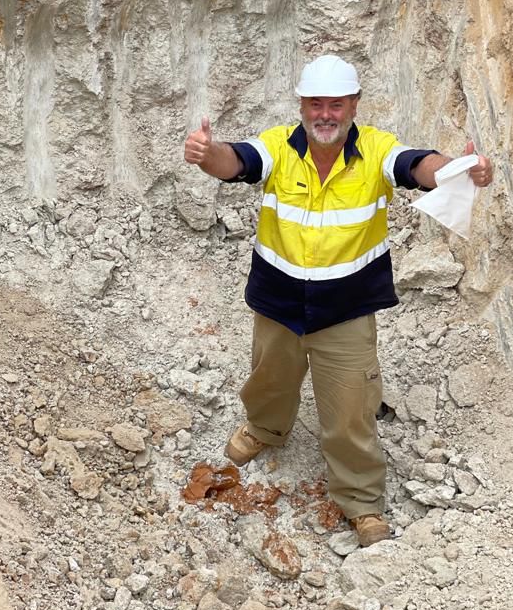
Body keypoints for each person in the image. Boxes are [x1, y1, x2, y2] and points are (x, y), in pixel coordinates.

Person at [183, 55, 493, 547]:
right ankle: (265, 427)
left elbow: (417, 166)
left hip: (346, 309)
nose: (325, 114)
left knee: (351, 410)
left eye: (335, 104)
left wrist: (456, 169)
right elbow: (237, 161)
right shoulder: (279, 146)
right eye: (315, 104)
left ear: (353, 106)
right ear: (302, 106)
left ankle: (361, 501)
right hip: (279, 301)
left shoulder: (375, 150)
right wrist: (207, 153)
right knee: (269, 379)